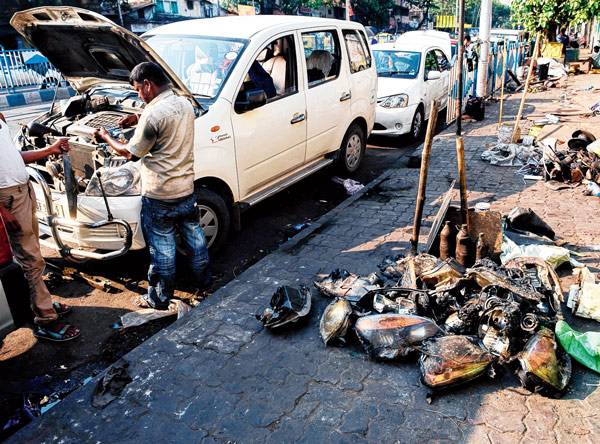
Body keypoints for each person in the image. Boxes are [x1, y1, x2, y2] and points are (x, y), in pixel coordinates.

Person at [94, 62, 211, 310]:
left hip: (160, 195)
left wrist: (106, 136)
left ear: (148, 84)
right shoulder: (184, 104)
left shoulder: (153, 113)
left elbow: (130, 153)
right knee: (195, 240)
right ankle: (204, 282)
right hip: (186, 189)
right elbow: (167, 122)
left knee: (163, 253)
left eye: (138, 89)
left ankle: (158, 298)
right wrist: (137, 118)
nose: (139, 95)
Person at [0, 114, 80, 341]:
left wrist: (49, 150)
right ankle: (45, 319)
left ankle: (37, 304)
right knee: (31, 259)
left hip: (23, 191)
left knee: (32, 253)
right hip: (7, 200)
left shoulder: (1, 117)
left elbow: (14, 158)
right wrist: (1, 210)